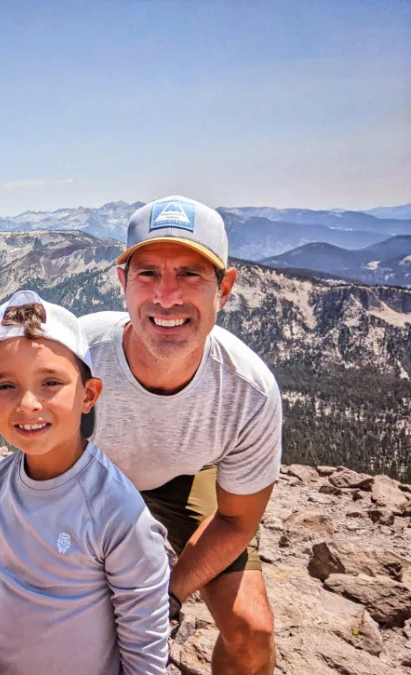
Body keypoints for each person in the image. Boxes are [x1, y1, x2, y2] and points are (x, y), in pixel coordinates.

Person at [80, 195, 282, 675]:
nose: (166, 296)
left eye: (190, 274)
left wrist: (166, 593)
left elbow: (236, 521)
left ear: (224, 288)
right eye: (147, 273)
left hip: (184, 481)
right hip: (88, 483)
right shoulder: (78, 354)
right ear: (122, 283)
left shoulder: (248, 391)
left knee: (252, 632)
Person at [0, 290, 170, 675]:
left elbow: (145, 651)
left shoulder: (119, 512)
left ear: (89, 394)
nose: (28, 403)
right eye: (5, 386)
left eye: (51, 382)